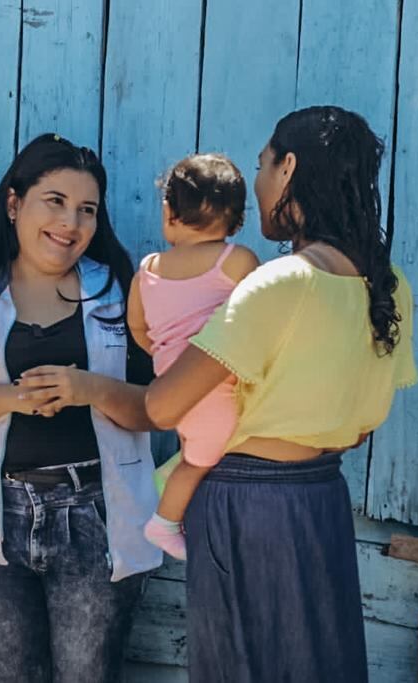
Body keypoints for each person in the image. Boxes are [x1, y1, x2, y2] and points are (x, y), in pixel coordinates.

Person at [146, 106, 418, 681]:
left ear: (289, 166)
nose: (260, 181)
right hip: (321, 500)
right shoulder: (391, 286)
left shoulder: (277, 282)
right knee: (320, 663)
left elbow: (164, 406)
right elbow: (365, 423)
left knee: (242, 665)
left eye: (263, 165)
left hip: (247, 506)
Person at [0, 134, 160, 682]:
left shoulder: (121, 289)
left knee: (88, 675)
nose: (71, 222)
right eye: (56, 201)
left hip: (96, 513)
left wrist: (89, 388)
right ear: (14, 203)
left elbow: (154, 410)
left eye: (87, 209)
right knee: (6, 675)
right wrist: (13, 398)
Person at [128, 154, 258, 560]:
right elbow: (264, 321)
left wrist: (165, 356)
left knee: (198, 451)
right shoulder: (236, 261)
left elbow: (137, 327)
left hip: (172, 384)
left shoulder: (148, 268)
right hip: (216, 388)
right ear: (237, 222)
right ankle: (164, 522)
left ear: (168, 212)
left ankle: (171, 496)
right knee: (202, 460)